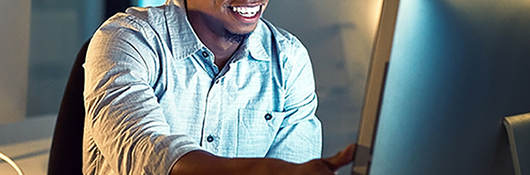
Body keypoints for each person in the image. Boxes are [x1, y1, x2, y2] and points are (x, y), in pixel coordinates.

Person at [83, 0, 356, 174]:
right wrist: (259, 172)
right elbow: (146, 151)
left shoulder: (288, 59)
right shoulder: (127, 39)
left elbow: (293, 170)